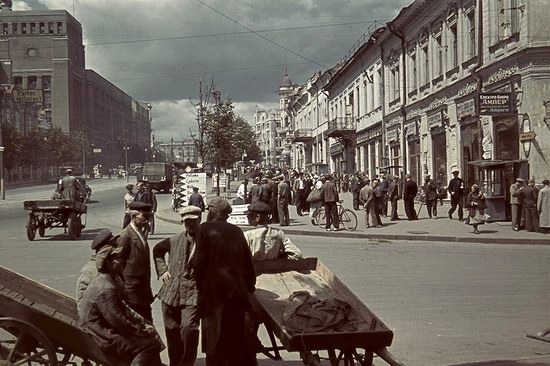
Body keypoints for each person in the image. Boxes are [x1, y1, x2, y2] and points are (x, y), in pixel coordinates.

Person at [193, 197, 257, 366]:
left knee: (213, 336)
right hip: (236, 292)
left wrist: (199, 286)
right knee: (234, 333)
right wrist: (249, 286)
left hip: (213, 293)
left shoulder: (204, 229)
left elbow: (199, 261)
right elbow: (247, 261)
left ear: (213, 211)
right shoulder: (236, 231)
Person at [78, 242, 163, 366]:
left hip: (100, 328)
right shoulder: (105, 288)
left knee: (148, 337)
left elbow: (121, 312)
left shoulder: (107, 280)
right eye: (118, 258)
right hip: (100, 334)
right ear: (108, 263)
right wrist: (139, 330)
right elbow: (117, 321)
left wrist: (140, 324)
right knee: (148, 345)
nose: (122, 260)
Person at [153, 205, 202, 366]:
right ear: (182, 222)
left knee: (189, 328)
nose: (190, 225)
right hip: (171, 292)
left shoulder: (207, 241)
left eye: (193, 221)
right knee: (172, 330)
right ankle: (175, 362)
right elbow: (158, 250)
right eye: (187, 221)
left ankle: (187, 362)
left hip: (194, 293)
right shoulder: (174, 240)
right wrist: (163, 271)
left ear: (200, 220)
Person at [117, 201, 155, 321]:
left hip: (142, 290)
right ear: (133, 217)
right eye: (144, 217)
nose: (147, 220)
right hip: (131, 292)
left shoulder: (140, 233)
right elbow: (118, 264)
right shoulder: (125, 236)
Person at [76, 230, 120, 311]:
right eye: (113, 245)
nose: (116, 247)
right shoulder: (91, 270)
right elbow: (82, 304)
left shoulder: (108, 267)